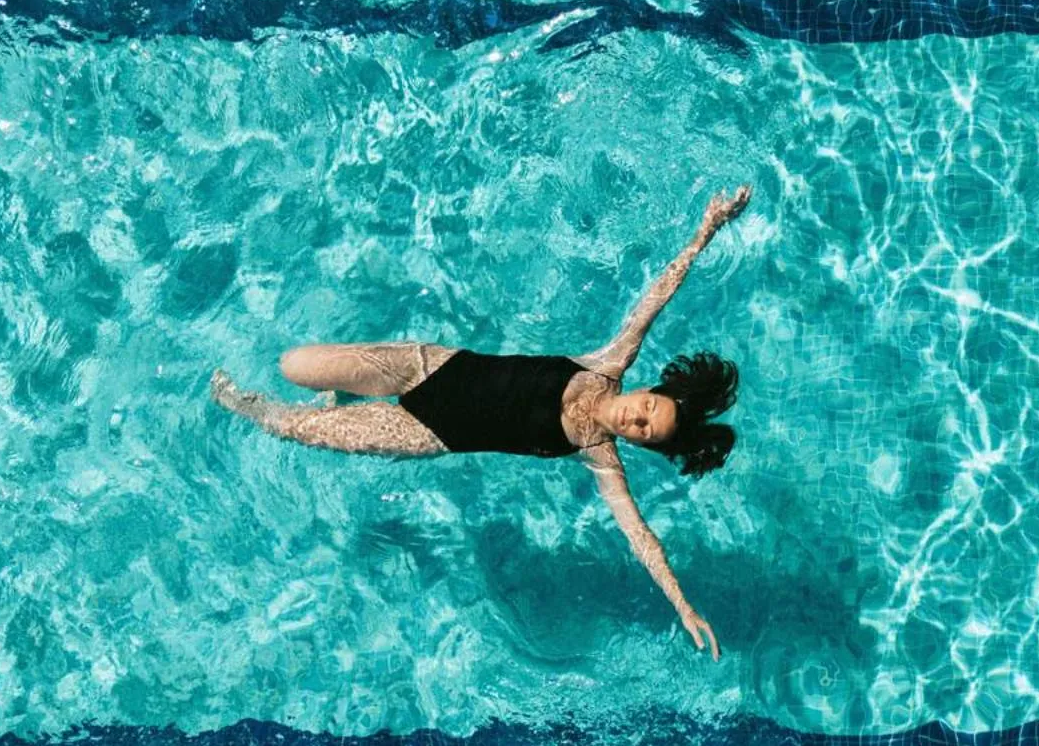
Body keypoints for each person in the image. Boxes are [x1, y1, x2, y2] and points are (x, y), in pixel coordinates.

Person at [211, 185, 753, 659]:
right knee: (293, 365)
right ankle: (339, 399)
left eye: (646, 432)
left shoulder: (600, 457)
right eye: (650, 409)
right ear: (648, 391)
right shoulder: (606, 364)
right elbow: (656, 297)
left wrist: (682, 605)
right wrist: (706, 231)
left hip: (426, 433)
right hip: (428, 367)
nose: (637, 419)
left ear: (641, 444)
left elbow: (641, 538)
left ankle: (250, 406)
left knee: (290, 426)